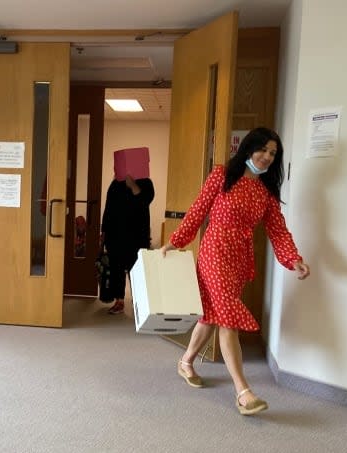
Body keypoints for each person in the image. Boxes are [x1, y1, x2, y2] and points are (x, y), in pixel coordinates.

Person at [160, 127, 310, 415]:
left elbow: (278, 232)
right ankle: (244, 392)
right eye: (262, 150)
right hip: (214, 251)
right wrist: (176, 241)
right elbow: (197, 211)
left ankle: (186, 361)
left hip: (239, 259)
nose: (266, 157)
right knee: (227, 318)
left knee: (213, 315)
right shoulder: (222, 176)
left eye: (272, 153)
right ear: (248, 148)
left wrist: (293, 259)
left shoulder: (265, 193)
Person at [100, 174, 154, 314]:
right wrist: (104, 232)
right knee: (117, 268)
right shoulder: (115, 184)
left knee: (136, 269)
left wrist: (133, 186)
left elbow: (145, 201)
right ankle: (119, 301)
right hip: (115, 235)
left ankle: (140, 303)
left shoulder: (145, 182)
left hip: (137, 236)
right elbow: (108, 208)